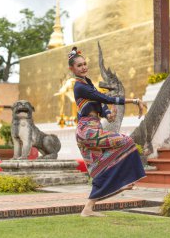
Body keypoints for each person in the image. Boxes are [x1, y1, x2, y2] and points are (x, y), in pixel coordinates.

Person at [68, 46, 147, 217]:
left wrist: (109, 114)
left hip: (93, 129)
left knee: (101, 166)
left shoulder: (87, 84)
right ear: (72, 69)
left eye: (84, 64)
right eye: (79, 65)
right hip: (87, 132)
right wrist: (134, 100)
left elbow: (100, 104)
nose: (83, 67)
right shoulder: (79, 86)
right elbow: (104, 98)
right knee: (126, 142)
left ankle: (87, 209)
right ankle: (125, 179)